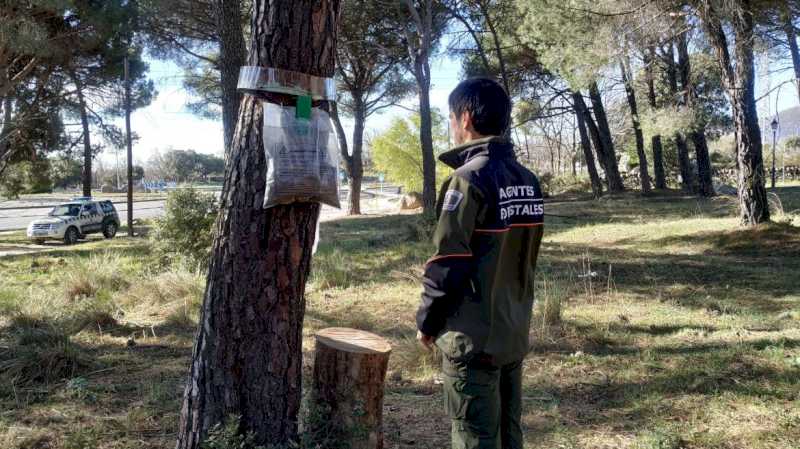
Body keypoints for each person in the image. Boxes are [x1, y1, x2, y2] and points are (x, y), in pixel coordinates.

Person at [416, 78, 544, 449]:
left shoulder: (467, 180)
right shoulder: (527, 180)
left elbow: (448, 262)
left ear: (466, 118)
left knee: (475, 436)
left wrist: (427, 321)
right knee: (509, 434)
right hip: (512, 331)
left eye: (451, 118)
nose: (452, 126)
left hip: (472, 340)